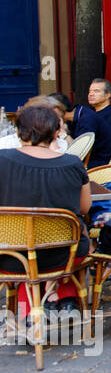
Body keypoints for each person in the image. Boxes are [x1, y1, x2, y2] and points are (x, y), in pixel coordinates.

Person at [0, 102, 90, 322]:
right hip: (63, 256)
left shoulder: (2, 159)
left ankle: (31, 311)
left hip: (8, 255)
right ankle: (64, 299)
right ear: (56, 131)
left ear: (18, 131)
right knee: (81, 233)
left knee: (29, 252)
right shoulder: (72, 163)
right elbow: (85, 208)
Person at [70, 77, 111, 168]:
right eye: (90, 91)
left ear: (108, 95)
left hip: (98, 163)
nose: (91, 94)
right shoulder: (91, 113)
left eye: (96, 91)